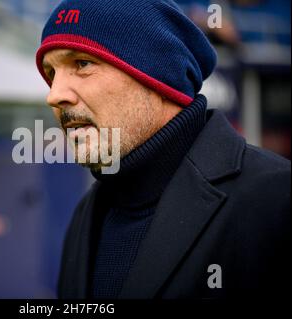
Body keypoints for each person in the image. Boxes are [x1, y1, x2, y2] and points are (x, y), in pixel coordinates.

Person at [35, 0, 290, 299]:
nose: (54, 95)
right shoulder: (85, 217)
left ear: (157, 77)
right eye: (52, 73)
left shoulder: (276, 200)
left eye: (82, 63)